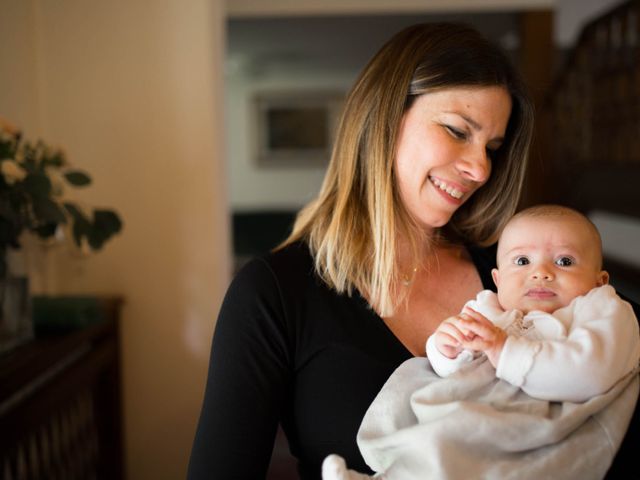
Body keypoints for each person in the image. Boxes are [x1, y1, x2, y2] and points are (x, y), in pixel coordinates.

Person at [186, 23, 639, 479]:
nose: (480, 168)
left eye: (493, 148)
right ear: (383, 119)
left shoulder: (516, 274)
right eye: (457, 131)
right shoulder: (273, 294)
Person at [322, 205, 640, 480]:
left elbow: (592, 370)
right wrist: (447, 348)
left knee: (464, 449)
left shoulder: (602, 310)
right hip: (472, 410)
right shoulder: (488, 308)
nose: (541, 272)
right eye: (522, 261)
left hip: (538, 424)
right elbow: (450, 365)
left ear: (600, 281)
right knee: (418, 385)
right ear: (498, 280)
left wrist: (504, 350)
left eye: (565, 261)